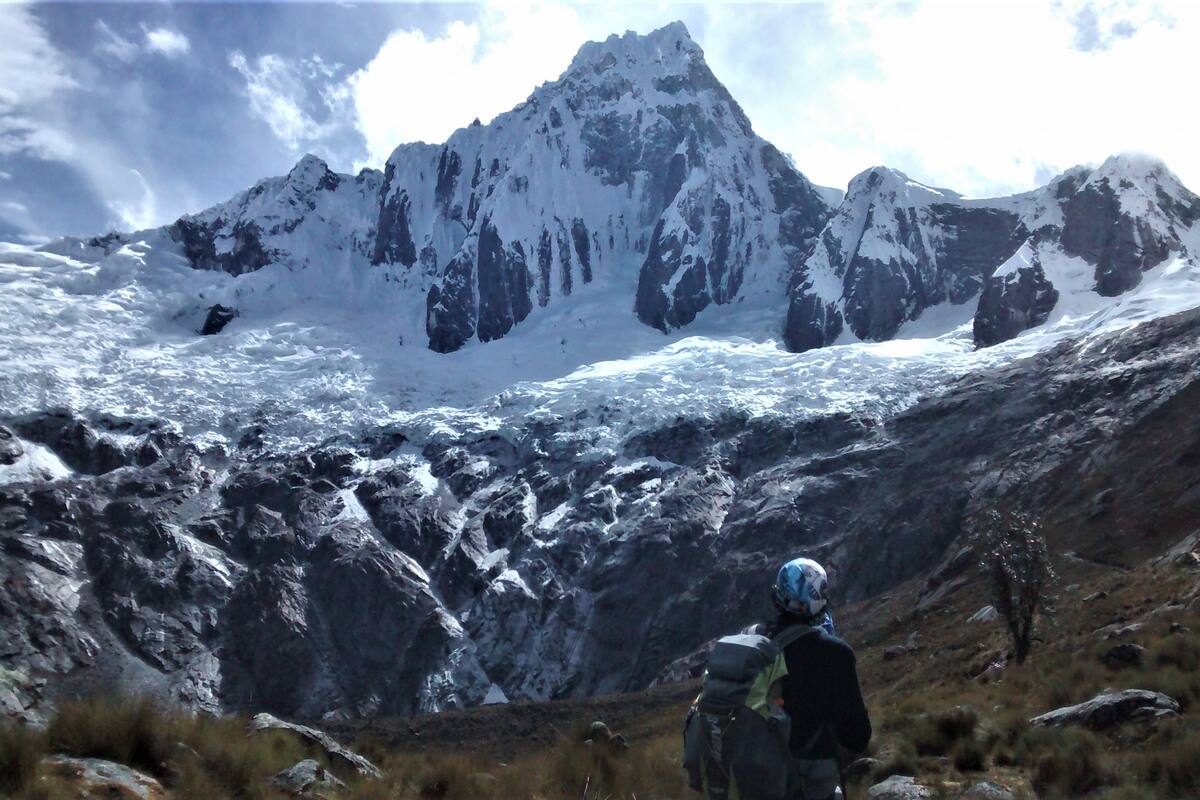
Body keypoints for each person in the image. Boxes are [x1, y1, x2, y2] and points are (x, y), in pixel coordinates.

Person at [756, 557, 872, 800]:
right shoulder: (834, 653)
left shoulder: (757, 645)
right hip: (812, 783)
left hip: (756, 776)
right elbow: (857, 737)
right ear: (814, 595)